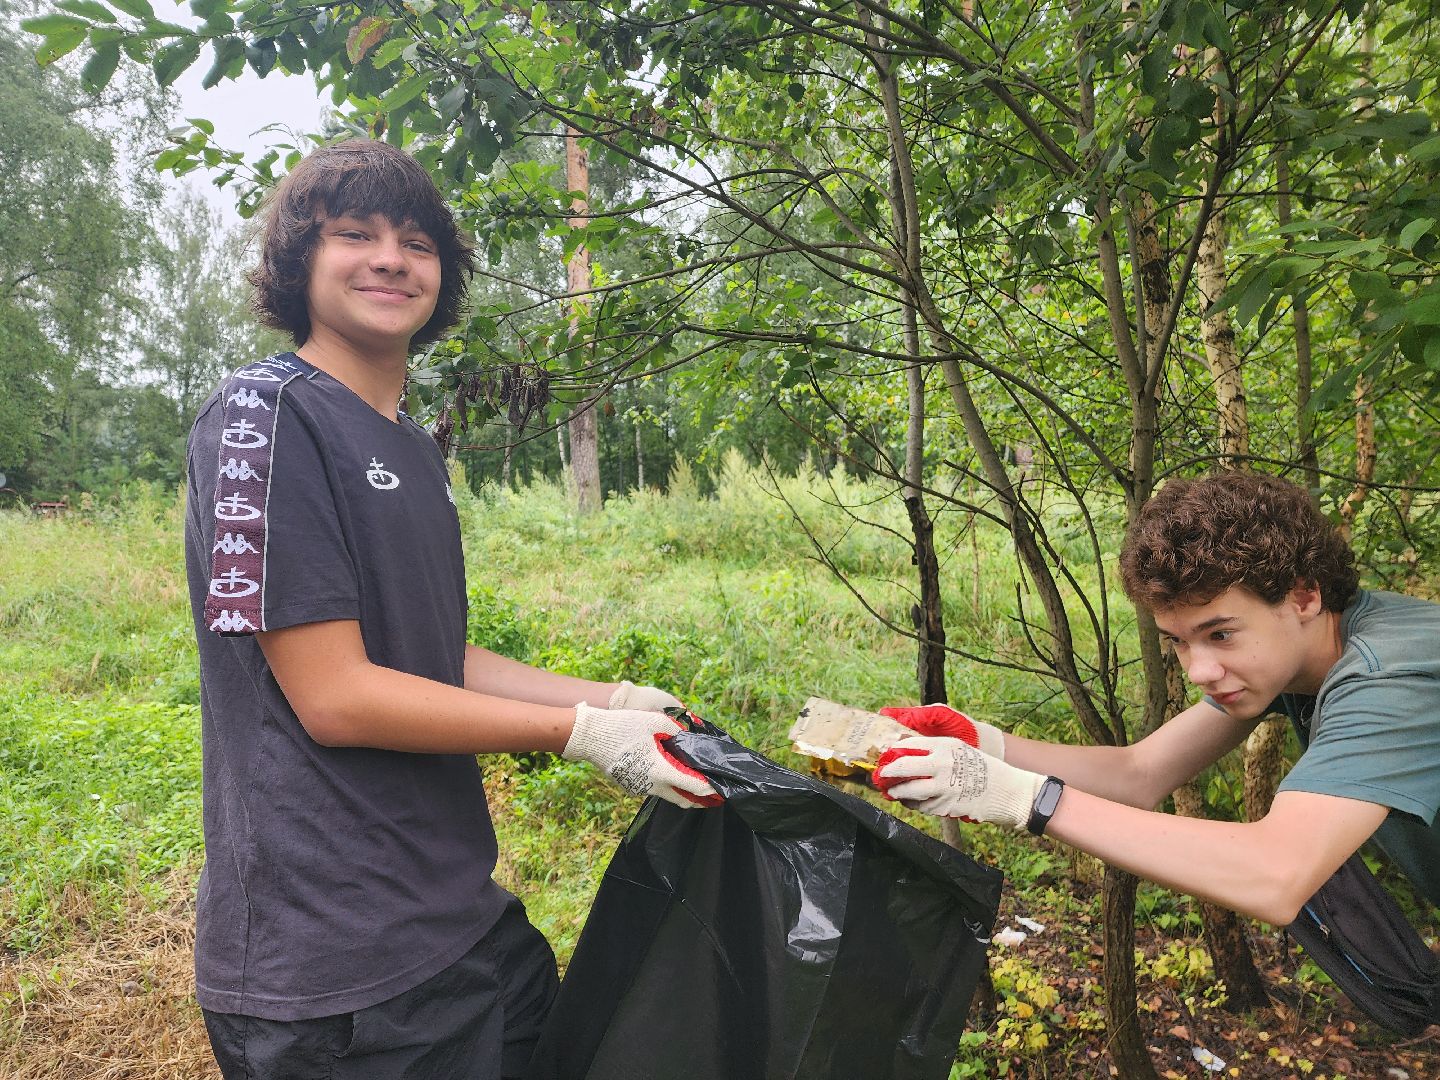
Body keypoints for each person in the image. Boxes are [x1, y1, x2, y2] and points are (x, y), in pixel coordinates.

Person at [184, 138, 719, 1080]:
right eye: (356, 233)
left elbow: (432, 654)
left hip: (457, 918)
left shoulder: (412, 448)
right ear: (298, 262)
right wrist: (580, 735)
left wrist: (620, 697)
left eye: (418, 241)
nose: (391, 256)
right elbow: (337, 695)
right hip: (337, 967)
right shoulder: (264, 416)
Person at [871, 471, 1440, 925]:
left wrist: (1019, 798)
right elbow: (1141, 772)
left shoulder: (1389, 677)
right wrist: (984, 745)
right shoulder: (1291, 656)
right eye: (1179, 643)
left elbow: (1277, 874)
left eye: (1220, 633)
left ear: (1303, 596)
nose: (1200, 670)